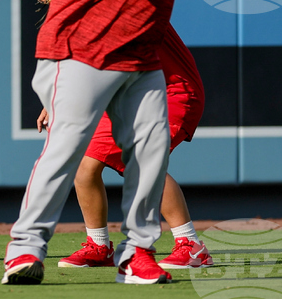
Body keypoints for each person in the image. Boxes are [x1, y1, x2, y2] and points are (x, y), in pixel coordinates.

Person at [2, 0, 282, 285]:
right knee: (68, 150)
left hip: (137, 56)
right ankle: (24, 251)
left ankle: (136, 256)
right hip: (85, 47)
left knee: (150, 154)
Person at [38, 22, 213, 270]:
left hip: (171, 91)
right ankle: (98, 246)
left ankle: (192, 247)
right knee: (85, 167)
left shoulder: (124, 3)